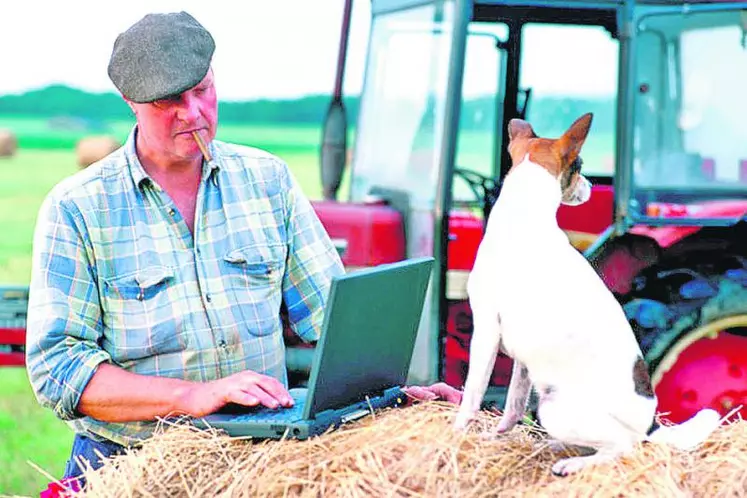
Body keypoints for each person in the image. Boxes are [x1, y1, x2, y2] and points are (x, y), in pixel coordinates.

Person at [25, 11, 462, 485]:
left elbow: (333, 320)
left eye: (203, 91)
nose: (193, 113)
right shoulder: (77, 208)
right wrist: (189, 396)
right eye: (169, 101)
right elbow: (58, 369)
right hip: (127, 464)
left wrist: (393, 395)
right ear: (131, 101)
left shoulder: (267, 180)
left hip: (255, 463)